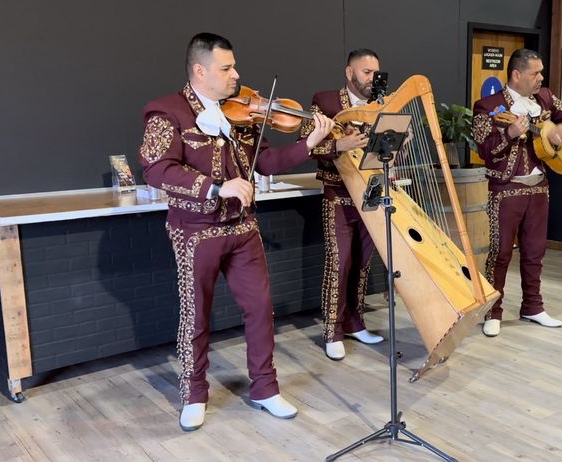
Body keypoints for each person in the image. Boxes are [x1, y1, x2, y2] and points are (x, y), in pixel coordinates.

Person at [138, 32, 335, 431]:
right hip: (195, 231)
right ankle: (194, 393)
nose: (236, 75)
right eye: (226, 68)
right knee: (196, 316)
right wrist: (215, 186)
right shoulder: (166, 111)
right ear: (200, 70)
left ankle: (265, 388)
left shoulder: (240, 113)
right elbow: (157, 169)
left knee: (261, 309)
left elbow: (266, 162)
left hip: (243, 227)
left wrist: (310, 142)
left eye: (234, 66)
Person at [471, 48, 562, 337]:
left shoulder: (545, 98)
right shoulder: (488, 106)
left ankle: (533, 307)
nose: (541, 78)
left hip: (539, 187)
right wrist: (509, 134)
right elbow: (485, 149)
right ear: (516, 74)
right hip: (506, 189)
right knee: (499, 253)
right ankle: (493, 311)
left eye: (541, 72)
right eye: (536, 73)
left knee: (535, 251)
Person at [297, 49, 386, 360]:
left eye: (376, 72)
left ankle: (354, 321)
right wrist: (339, 144)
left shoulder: (381, 105)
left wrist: (399, 143)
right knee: (340, 261)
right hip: (338, 193)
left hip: (371, 193)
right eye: (366, 73)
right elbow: (307, 142)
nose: (372, 78)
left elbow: (383, 153)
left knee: (362, 263)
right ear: (349, 73)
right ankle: (332, 329)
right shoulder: (326, 101)